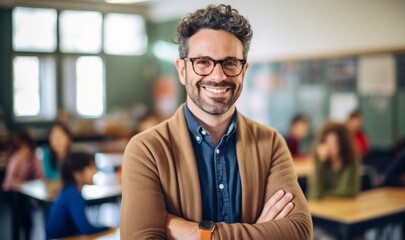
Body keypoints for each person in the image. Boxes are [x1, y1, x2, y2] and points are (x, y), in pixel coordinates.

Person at [120, 4, 312, 240]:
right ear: (182, 70)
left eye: (230, 62)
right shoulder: (146, 150)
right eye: (202, 62)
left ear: (244, 70)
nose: (218, 75)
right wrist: (260, 232)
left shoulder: (270, 143)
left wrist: (197, 234)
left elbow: (299, 232)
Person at [45, 152, 110, 239]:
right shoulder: (73, 195)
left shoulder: (68, 190)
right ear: (77, 174)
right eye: (90, 167)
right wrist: (108, 228)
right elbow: (86, 229)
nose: (94, 171)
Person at [2, 130, 45, 240]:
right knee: (18, 211)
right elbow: (8, 181)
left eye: (27, 147)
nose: (25, 151)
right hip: (12, 191)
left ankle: (28, 235)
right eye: (21, 148)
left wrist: (40, 183)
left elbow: (40, 174)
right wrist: (20, 184)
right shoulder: (16, 158)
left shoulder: (33, 156)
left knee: (27, 214)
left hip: (26, 190)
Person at [307, 121, 360, 200]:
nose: (330, 147)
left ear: (343, 144)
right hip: (322, 209)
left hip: (345, 207)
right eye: (327, 143)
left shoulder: (351, 162)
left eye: (335, 143)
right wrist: (319, 162)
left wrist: (325, 195)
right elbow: (314, 194)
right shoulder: (321, 163)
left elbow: (350, 192)